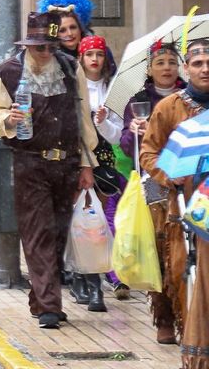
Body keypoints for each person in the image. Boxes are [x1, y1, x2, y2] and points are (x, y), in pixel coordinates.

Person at [0, 11, 97, 329]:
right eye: (39, 46)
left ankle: (41, 296)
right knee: (38, 232)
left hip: (68, 163)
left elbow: (83, 118)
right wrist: (7, 120)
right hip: (30, 163)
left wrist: (87, 165)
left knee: (58, 234)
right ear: (28, 45)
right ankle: (49, 305)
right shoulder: (7, 72)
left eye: (51, 46)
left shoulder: (72, 70)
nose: (46, 53)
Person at [139, 37, 209, 366]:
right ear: (187, 69)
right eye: (197, 63)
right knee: (184, 273)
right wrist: (171, 176)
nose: (205, 69)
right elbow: (149, 153)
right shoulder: (168, 108)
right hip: (181, 208)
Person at [123, 40, 185, 343]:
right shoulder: (138, 99)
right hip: (156, 184)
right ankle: (163, 316)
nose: (166, 68)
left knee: (187, 255)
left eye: (172, 62)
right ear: (149, 68)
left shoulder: (191, 98)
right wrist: (135, 132)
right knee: (160, 252)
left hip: (192, 183)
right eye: (160, 63)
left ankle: (190, 318)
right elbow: (126, 145)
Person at [77, 34, 126, 311]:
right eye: (89, 54)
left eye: (99, 54)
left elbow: (117, 136)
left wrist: (104, 122)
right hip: (79, 156)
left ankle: (105, 276)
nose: (94, 60)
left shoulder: (113, 89)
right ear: (81, 58)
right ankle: (83, 274)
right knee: (83, 219)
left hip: (105, 158)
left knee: (104, 217)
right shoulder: (75, 85)